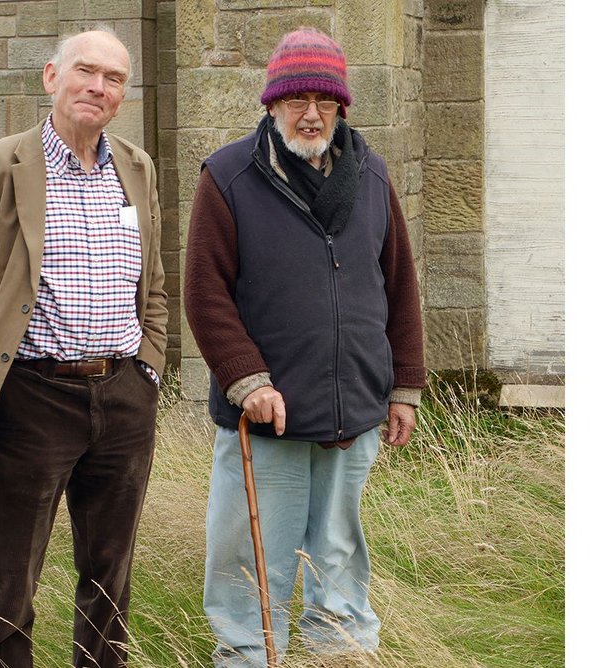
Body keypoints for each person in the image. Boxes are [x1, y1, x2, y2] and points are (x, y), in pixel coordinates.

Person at [184, 27, 426, 666]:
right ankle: (247, 657)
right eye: (296, 99)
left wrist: (402, 387)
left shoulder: (371, 174)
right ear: (271, 104)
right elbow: (205, 295)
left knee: (339, 552)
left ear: (342, 104)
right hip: (268, 416)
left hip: (355, 410)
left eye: (324, 98)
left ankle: (338, 654)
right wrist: (248, 381)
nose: (311, 113)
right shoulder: (229, 176)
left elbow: (398, 286)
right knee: (248, 559)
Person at [0, 28, 167, 668]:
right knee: (12, 578)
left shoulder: (137, 167)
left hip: (122, 397)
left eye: (113, 78)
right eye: (85, 72)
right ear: (51, 77)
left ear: (123, 93)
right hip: (31, 399)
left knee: (110, 574)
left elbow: (154, 283)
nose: (98, 87)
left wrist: (148, 368)